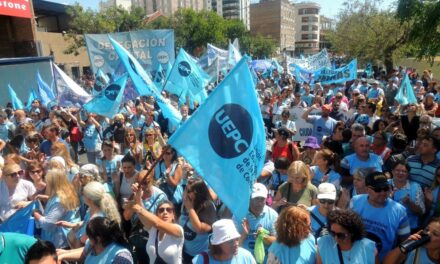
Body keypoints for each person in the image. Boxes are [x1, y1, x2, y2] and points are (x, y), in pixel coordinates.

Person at [350, 171, 410, 261]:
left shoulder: (400, 211)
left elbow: (404, 241)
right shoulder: (355, 201)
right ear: (367, 189)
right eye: (378, 189)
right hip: (354, 258)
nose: (383, 192)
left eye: (386, 188)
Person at [33, 169, 80, 248]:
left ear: (52, 184)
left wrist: (35, 213)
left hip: (59, 243)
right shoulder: (68, 193)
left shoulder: (60, 201)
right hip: (64, 239)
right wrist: (47, 198)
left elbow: (48, 224)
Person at [130, 199, 184, 263]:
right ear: (157, 215)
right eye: (161, 210)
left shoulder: (178, 229)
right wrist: (138, 196)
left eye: (169, 210)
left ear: (173, 216)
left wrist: (140, 209)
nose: (165, 212)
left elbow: (157, 223)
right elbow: (142, 216)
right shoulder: (153, 229)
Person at [180, 178, 217, 262]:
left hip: (198, 256)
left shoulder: (208, 206)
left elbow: (200, 229)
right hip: (183, 251)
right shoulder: (187, 202)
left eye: (188, 190)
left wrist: (190, 209)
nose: (185, 192)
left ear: (197, 193)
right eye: (185, 188)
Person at [238, 183, 277, 261]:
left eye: (262, 199)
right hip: (245, 260)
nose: (259, 203)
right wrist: (244, 234)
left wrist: (265, 237)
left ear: (266, 199)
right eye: (256, 198)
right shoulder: (239, 214)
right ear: (249, 198)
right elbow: (233, 243)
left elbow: (278, 241)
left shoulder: (273, 215)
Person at [389, 161, 425, 232]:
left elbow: (421, 212)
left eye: (404, 171)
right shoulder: (385, 184)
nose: (400, 173)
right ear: (392, 171)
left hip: (409, 229)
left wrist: (410, 203)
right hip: (388, 226)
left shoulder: (416, 187)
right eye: (397, 170)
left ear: (408, 174)